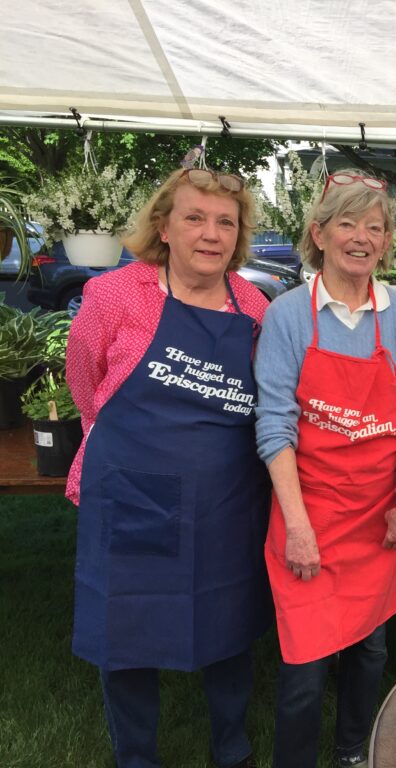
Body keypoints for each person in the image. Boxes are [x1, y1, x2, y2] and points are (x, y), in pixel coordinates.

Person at [66, 168, 271, 768]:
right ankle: (136, 756)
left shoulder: (253, 304)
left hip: (227, 498)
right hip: (135, 493)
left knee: (229, 619)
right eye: (195, 218)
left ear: (238, 236)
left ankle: (231, 749)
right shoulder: (115, 295)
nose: (211, 234)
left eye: (225, 223)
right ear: (163, 225)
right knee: (126, 626)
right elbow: (86, 384)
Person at [254, 171, 396, 768]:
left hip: (376, 517)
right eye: (347, 223)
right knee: (305, 666)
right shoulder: (287, 316)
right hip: (307, 510)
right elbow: (274, 426)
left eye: (375, 226)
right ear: (319, 232)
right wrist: (298, 525)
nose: (361, 237)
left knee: (370, 651)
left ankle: (354, 752)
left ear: (387, 241)